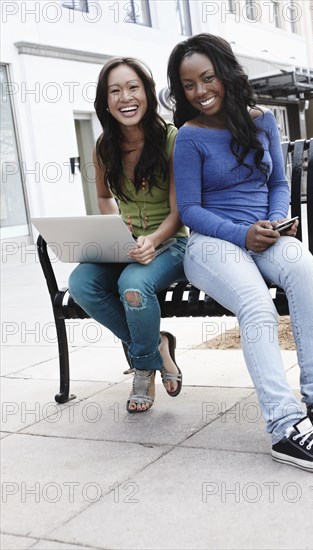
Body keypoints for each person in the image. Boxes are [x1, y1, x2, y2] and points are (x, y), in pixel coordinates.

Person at [167, 33, 313, 473]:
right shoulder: (188, 137)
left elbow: (278, 184)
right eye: (189, 84)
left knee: (305, 271)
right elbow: (191, 210)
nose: (200, 91)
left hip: (265, 235)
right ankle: (285, 427)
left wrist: (273, 222)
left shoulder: (261, 121)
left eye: (208, 78)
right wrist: (242, 234)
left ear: (226, 74)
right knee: (257, 305)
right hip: (213, 245)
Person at [69, 57, 188, 413]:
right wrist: (117, 233)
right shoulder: (104, 147)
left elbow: (179, 210)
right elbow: (104, 198)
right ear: (106, 102)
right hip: (127, 244)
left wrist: (152, 240)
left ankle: (142, 369)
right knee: (82, 283)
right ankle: (157, 348)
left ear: (147, 94)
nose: (125, 97)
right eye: (115, 90)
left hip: (170, 244)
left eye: (133, 87)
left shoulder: (171, 139)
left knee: (133, 286)